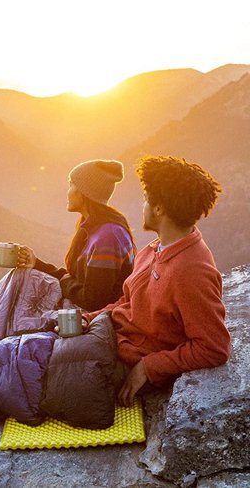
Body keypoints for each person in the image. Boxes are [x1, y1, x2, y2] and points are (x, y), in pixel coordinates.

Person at [83, 155, 231, 407]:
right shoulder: (155, 249)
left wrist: (148, 367)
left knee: (27, 371)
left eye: (145, 199)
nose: (143, 206)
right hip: (110, 338)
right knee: (32, 347)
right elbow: (127, 302)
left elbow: (214, 347)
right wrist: (90, 318)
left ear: (159, 208)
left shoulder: (191, 271)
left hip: (125, 361)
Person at [19, 159, 136, 311]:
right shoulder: (93, 229)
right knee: (20, 277)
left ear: (84, 193)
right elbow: (77, 281)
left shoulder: (108, 236)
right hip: (86, 315)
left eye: (71, 184)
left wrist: (64, 280)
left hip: (102, 322)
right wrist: (36, 264)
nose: (68, 191)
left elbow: (93, 301)